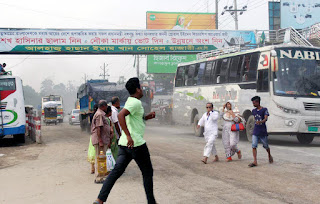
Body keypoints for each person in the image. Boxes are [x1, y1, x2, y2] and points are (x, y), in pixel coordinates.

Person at [93, 77, 156, 204]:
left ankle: (100, 200)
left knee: (116, 172)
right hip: (135, 143)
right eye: (141, 88)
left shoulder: (130, 101)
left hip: (124, 145)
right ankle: (151, 202)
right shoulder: (136, 103)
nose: (142, 90)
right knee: (147, 172)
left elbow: (133, 118)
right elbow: (121, 115)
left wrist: (146, 117)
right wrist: (128, 135)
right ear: (138, 89)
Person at [248, 96, 273, 167]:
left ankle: (269, 155)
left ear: (258, 102)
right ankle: (255, 161)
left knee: (266, 146)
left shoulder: (264, 110)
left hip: (262, 131)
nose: (253, 104)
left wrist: (261, 121)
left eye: (254, 103)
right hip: (255, 131)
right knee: (254, 145)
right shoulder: (253, 111)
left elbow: (266, 118)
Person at [91, 101, 113, 183]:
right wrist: (100, 140)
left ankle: (101, 176)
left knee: (102, 159)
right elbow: (98, 128)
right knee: (99, 159)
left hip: (102, 140)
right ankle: (98, 178)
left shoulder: (100, 114)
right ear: (103, 106)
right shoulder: (99, 114)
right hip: (100, 141)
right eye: (106, 106)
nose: (107, 108)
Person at [88, 104, 99, 174]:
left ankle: (92, 168)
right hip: (97, 135)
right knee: (98, 152)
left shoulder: (91, 116)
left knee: (92, 151)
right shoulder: (99, 116)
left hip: (92, 135)